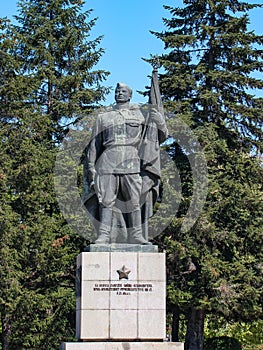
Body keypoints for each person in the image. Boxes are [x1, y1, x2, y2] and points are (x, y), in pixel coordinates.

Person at [83, 82, 168, 244]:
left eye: (123, 91)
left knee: (134, 201)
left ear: (129, 95)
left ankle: (136, 235)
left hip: (131, 162)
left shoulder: (140, 116)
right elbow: (94, 146)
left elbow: (158, 137)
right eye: (117, 91)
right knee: (106, 200)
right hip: (107, 163)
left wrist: (159, 121)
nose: (119, 93)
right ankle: (104, 235)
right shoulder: (103, 118)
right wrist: (91, 169)